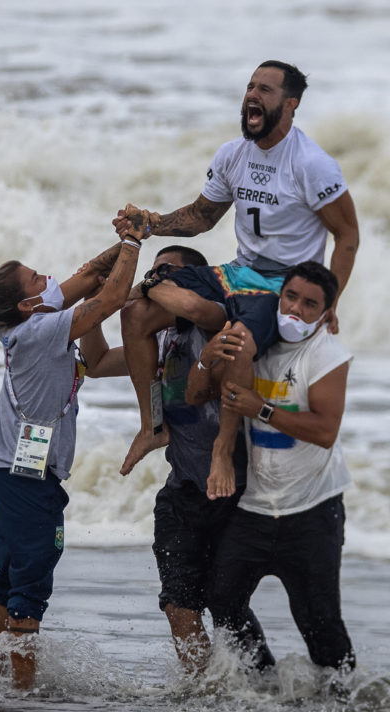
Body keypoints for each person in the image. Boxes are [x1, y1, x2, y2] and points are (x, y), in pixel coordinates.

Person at [111, 60, 360, 497]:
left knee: (238, 343)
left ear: (290, 103)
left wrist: (329, 302)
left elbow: (348, 236)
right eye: (249, 87)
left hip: (282, 285)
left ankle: (223, 450)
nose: (252, 95)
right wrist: (150, 224)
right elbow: (201, 217)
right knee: (136, 310)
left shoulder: (312, 164)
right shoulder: (232, 154)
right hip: (236, 272)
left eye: (265, 89)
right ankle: (152, 425)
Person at [0, 216, 151, 689]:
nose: (49, 278)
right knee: (31, 583)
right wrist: (132, 243)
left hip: (7, 466)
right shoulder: (41, 330)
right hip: (24, 475)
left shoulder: (24, 319)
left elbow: (90, 278)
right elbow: (108, 299)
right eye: (38, 278)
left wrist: (128, 234)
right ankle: (23, 692)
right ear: (30, 302)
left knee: (9, 577)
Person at [81, 245, 274, 674]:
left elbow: (199, 311)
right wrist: (93, 302)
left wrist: (147, 285)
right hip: (184, 488)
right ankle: (203, 688)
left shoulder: (224, 323)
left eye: (167, 273)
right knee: (178, 604)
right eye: (153, 273)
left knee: (228, 607)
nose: (156, 282)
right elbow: (94, 363)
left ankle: (264, 686)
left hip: (233, 489)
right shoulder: (157, 340)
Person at [186, 260, 356, 678]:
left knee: (321, 627)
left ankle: (341, 700)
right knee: (222, 601)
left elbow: (326, 430)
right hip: (256, 509)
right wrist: (208, 359)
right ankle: (265, 681)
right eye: (290, 297)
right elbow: (196, 393)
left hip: (312, 510)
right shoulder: (253, 342)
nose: (295, 310)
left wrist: (260, 408)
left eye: (310, 304)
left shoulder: (327, 355)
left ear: (326, 313)